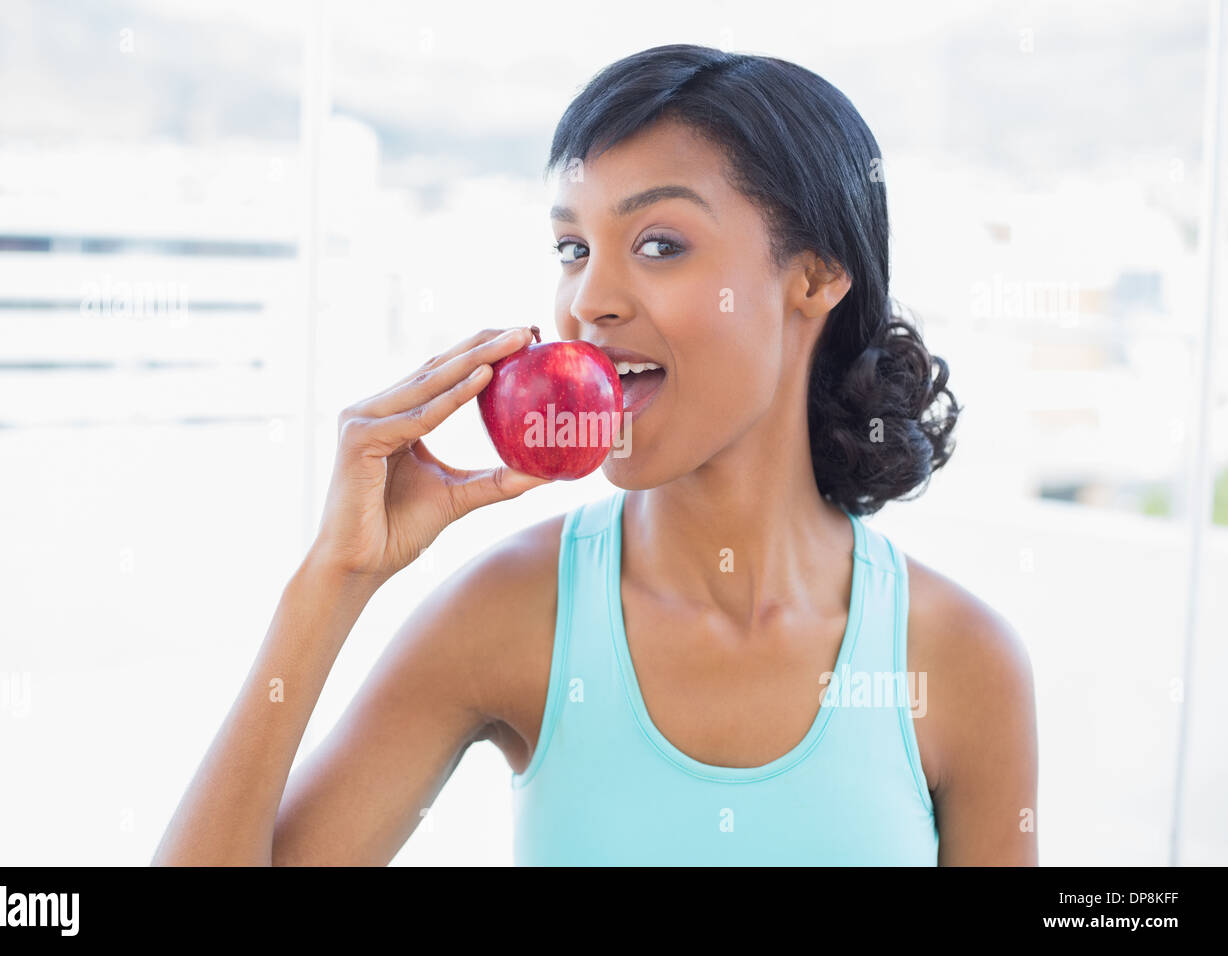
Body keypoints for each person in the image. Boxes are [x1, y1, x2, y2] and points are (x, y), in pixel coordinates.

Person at [153, 44, 1037, 866]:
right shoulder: (512, 614)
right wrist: (333, 578)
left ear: (813, 276)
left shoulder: (960, 661)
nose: (588, 300)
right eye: (573, 248)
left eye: (659, 244)